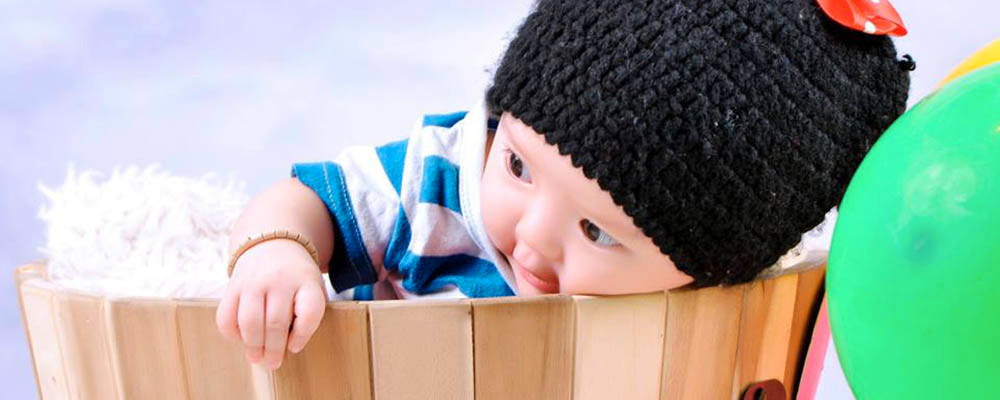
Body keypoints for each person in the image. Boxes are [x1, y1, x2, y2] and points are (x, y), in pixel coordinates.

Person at [217, 0, 913, 370]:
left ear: (711, 268)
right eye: (520, 167)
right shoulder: (438, 181)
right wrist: (278, 251)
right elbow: (310, 199)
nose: (533, 236)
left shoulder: (708, 323)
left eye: (597, 231)